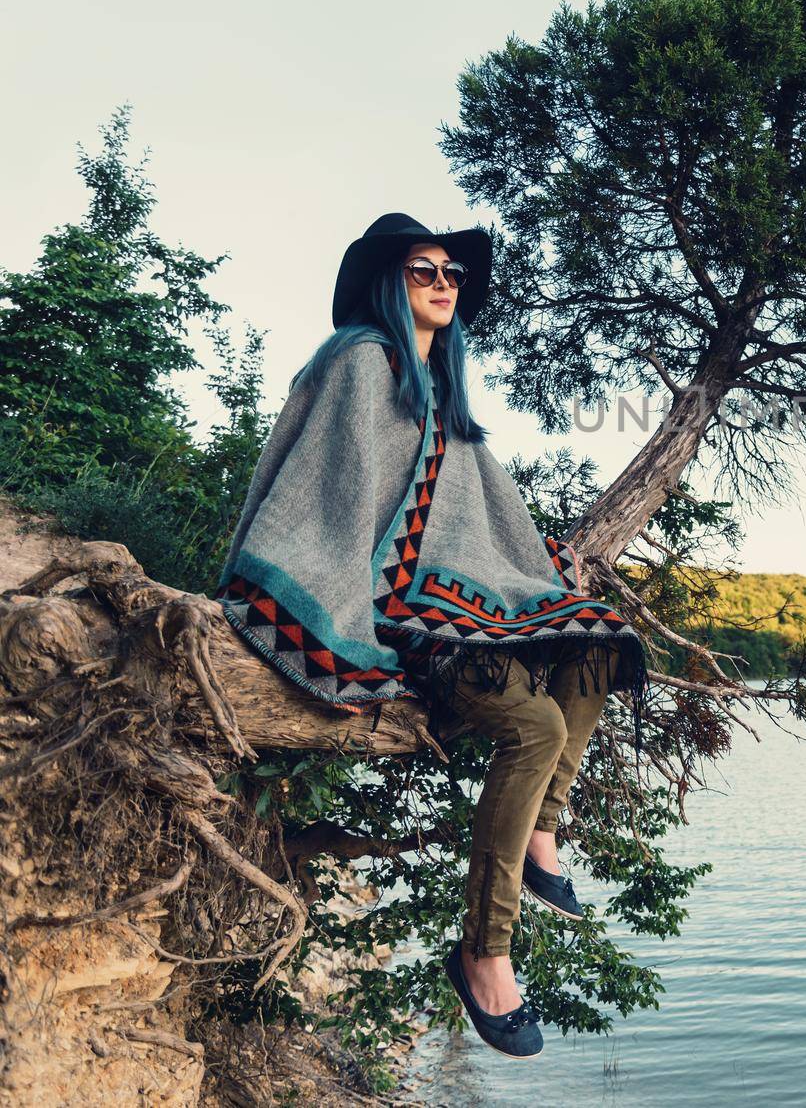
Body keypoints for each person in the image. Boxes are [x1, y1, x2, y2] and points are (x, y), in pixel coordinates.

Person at [213, 211, 649, 1059]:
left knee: (597, 640)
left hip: (458, 603)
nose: (445, 284)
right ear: (389, 282)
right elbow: (324, 501)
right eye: (424, 271)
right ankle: (486, 953)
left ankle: (541, 829)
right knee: (538, 728)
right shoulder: (355, 362)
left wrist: (537, 569)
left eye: (451, 272)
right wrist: (345, 622)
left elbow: (480, 518)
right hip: (396, 611)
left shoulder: (443, 387)